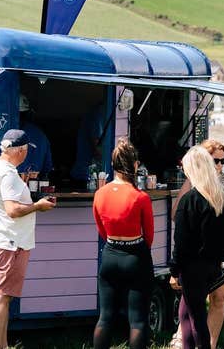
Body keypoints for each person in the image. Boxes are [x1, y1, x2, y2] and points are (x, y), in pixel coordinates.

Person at [0, 129, 56, 349]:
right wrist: (38, 206)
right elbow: (12, 209)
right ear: (19, 150)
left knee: (4, 296)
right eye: (25, 151)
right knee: (2, 296)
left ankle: (2, 345)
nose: (26, 155)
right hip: (11, 242)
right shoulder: (7, 174)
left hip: (3, 238)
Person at [172, 140, 224, 349]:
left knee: (194, 315)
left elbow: (181, 240)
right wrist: (220, 259)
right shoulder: (218, 195)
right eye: (216, 160)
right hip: (213, 262)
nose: (220, 164)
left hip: (195, 264)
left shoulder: (194, 198)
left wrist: (174, 269)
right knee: (190, 313)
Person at [92, 138, 154, 349]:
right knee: (137, 319)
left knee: (105, 317)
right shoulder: (140, 197)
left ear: (113, 165)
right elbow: (150, 235)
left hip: (110, 254)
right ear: (134, 164)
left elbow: (101, 229)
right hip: (135, 255)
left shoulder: (100, 193)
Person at [17, 95, 52, 178]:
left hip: (9, 186)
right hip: (34, 185)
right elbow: (47, 167)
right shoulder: (40, 135)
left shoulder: (5, 134)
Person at [70, 103, 105, 183]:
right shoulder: (99, 114)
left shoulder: (98, 113)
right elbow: (98, 148)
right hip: (85, 175)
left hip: (87, 174)